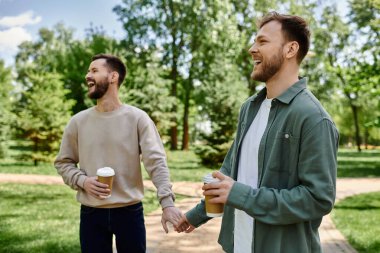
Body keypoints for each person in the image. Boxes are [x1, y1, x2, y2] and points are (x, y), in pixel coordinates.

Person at [176, 12, 339, 253]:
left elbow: (317, 199)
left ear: (290, 49)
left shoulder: (314, 118)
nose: (252, 49)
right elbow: (230, 172)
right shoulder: (249, 108)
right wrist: (196, 215)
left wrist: (242, 195)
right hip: (238, 245)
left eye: (262, 42)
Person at [54, 54, 184, 253]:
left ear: (113, 77)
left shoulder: (138, 118)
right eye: (88, 71)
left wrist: (167, 204)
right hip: (91, 214)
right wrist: (83, 181)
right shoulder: (78, 122)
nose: (87, 75)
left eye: (94, 71)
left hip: (129, 213)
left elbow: (156, 162)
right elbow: (63, 162)